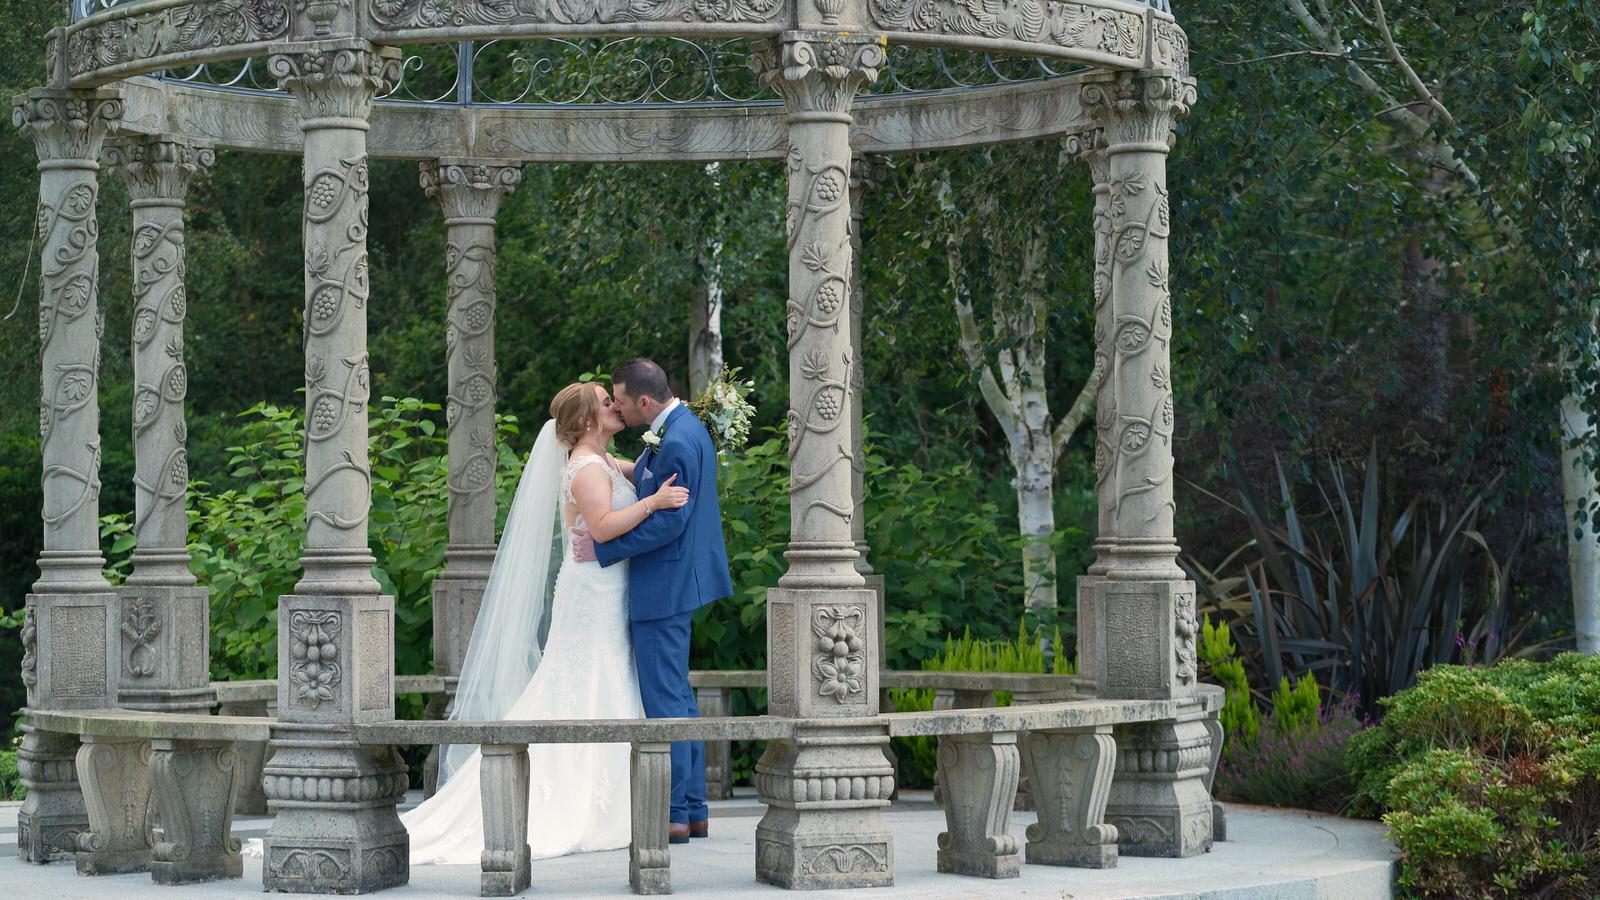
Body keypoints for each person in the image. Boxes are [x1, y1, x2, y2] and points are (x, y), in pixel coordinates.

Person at [401, 380, 691, 862]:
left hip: (605, 587)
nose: (615, 406)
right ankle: (569, 796)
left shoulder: (600, 461)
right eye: (605, 402)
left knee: (606, 676)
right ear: (587, 420)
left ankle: (616, 796)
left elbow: (637, 471)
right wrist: (654, 504)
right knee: (585, 676)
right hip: (591, 594)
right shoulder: (583, 468)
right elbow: (600, 528)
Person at [571, 358, 733, 843]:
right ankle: (694, 808)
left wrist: (603, 548)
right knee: (678, 697)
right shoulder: (679, 428)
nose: (616, 406)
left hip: (665, 585)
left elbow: (670, 522)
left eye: (618, 398)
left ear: (643, 402)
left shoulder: (678, 438)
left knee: (666, 702)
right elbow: (641, 478)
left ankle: (676, 813)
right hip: (676, 581)